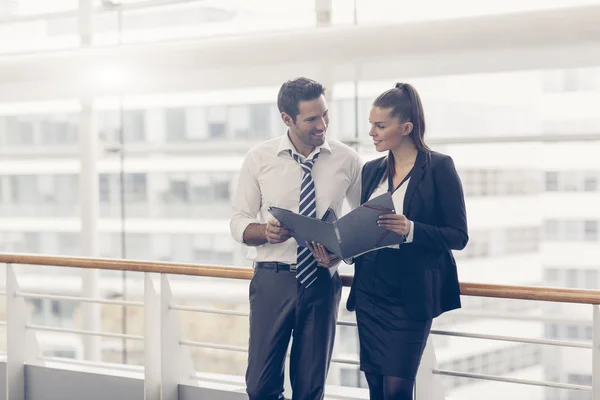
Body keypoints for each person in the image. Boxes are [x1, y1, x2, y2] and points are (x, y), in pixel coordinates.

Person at [230, 77, 362, 400]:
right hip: (272, 282)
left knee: (309, 389)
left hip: (320, 282)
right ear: (287, 119)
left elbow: (363, 224)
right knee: (260, 387)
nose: (323, 125)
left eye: (325, 115)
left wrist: (340, 254)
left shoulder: (347, 160)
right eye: (312, 119)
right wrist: (264, 232)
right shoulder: (259, 159)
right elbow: (238, 222)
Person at [344, 83, 469, 400]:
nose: (371, 132)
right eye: (371, 124)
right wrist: (342, 247)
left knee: (397, 390)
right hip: (371, 291)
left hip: (409, 297)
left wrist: (411, 229)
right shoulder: (372, 171)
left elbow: (458, 235)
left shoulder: (438, 167)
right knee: (376, 387)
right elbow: (365, 227)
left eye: (380, 125)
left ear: (406, 127)